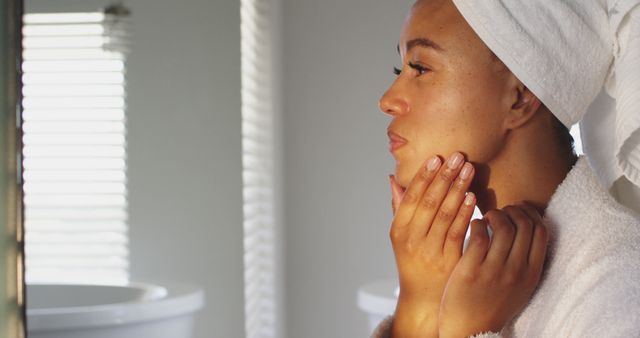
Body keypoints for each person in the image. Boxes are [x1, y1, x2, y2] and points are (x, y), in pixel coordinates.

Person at [373, 0, 640, 337]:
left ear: (520, 97)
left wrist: (463, 330)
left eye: (420, 67)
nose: (387, 100)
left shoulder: (618, 293)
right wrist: (417, 308)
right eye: (400, 70)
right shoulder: (457, 270)